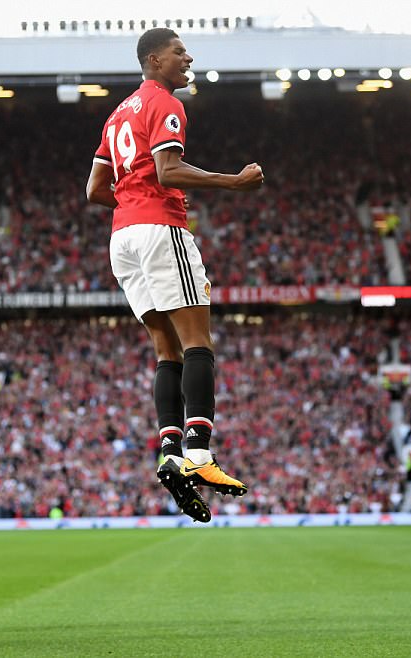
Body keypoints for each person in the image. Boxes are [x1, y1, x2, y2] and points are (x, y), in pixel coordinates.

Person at [86, 28, 264, 522]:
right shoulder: (164, 103)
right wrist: (234, 181)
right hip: (159, 229)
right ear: (154, 59)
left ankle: (170, 452)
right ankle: (201, 455)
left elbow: (95, 188)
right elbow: (167, 170)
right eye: (180, 52)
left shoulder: (117, 112)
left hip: (122, 239)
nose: (189, 58)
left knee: (167, 350)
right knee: (197, 344)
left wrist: (129, 204)